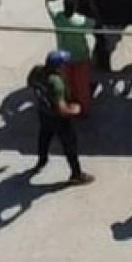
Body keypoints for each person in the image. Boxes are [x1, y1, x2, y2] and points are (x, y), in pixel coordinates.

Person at [28, 51, 91, 184]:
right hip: (58, 119)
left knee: (44, 137)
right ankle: (76, 174)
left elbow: (30, 83)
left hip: (43, 112)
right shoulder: (56, 83)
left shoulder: (36, 71)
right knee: (70, 145)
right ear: (59, 67)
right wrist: (74, 110)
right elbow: (62, 110)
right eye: (64, 64)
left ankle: (42, 161)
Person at [45, 0, 95, 113]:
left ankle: (71, 103)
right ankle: (83, 110)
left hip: (64, 58)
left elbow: (47, 1)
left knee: (69, 84)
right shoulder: (81, 21)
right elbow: (95, 23)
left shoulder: (57, 18)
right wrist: (90, 2)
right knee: (82, 86)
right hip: (81, 57)